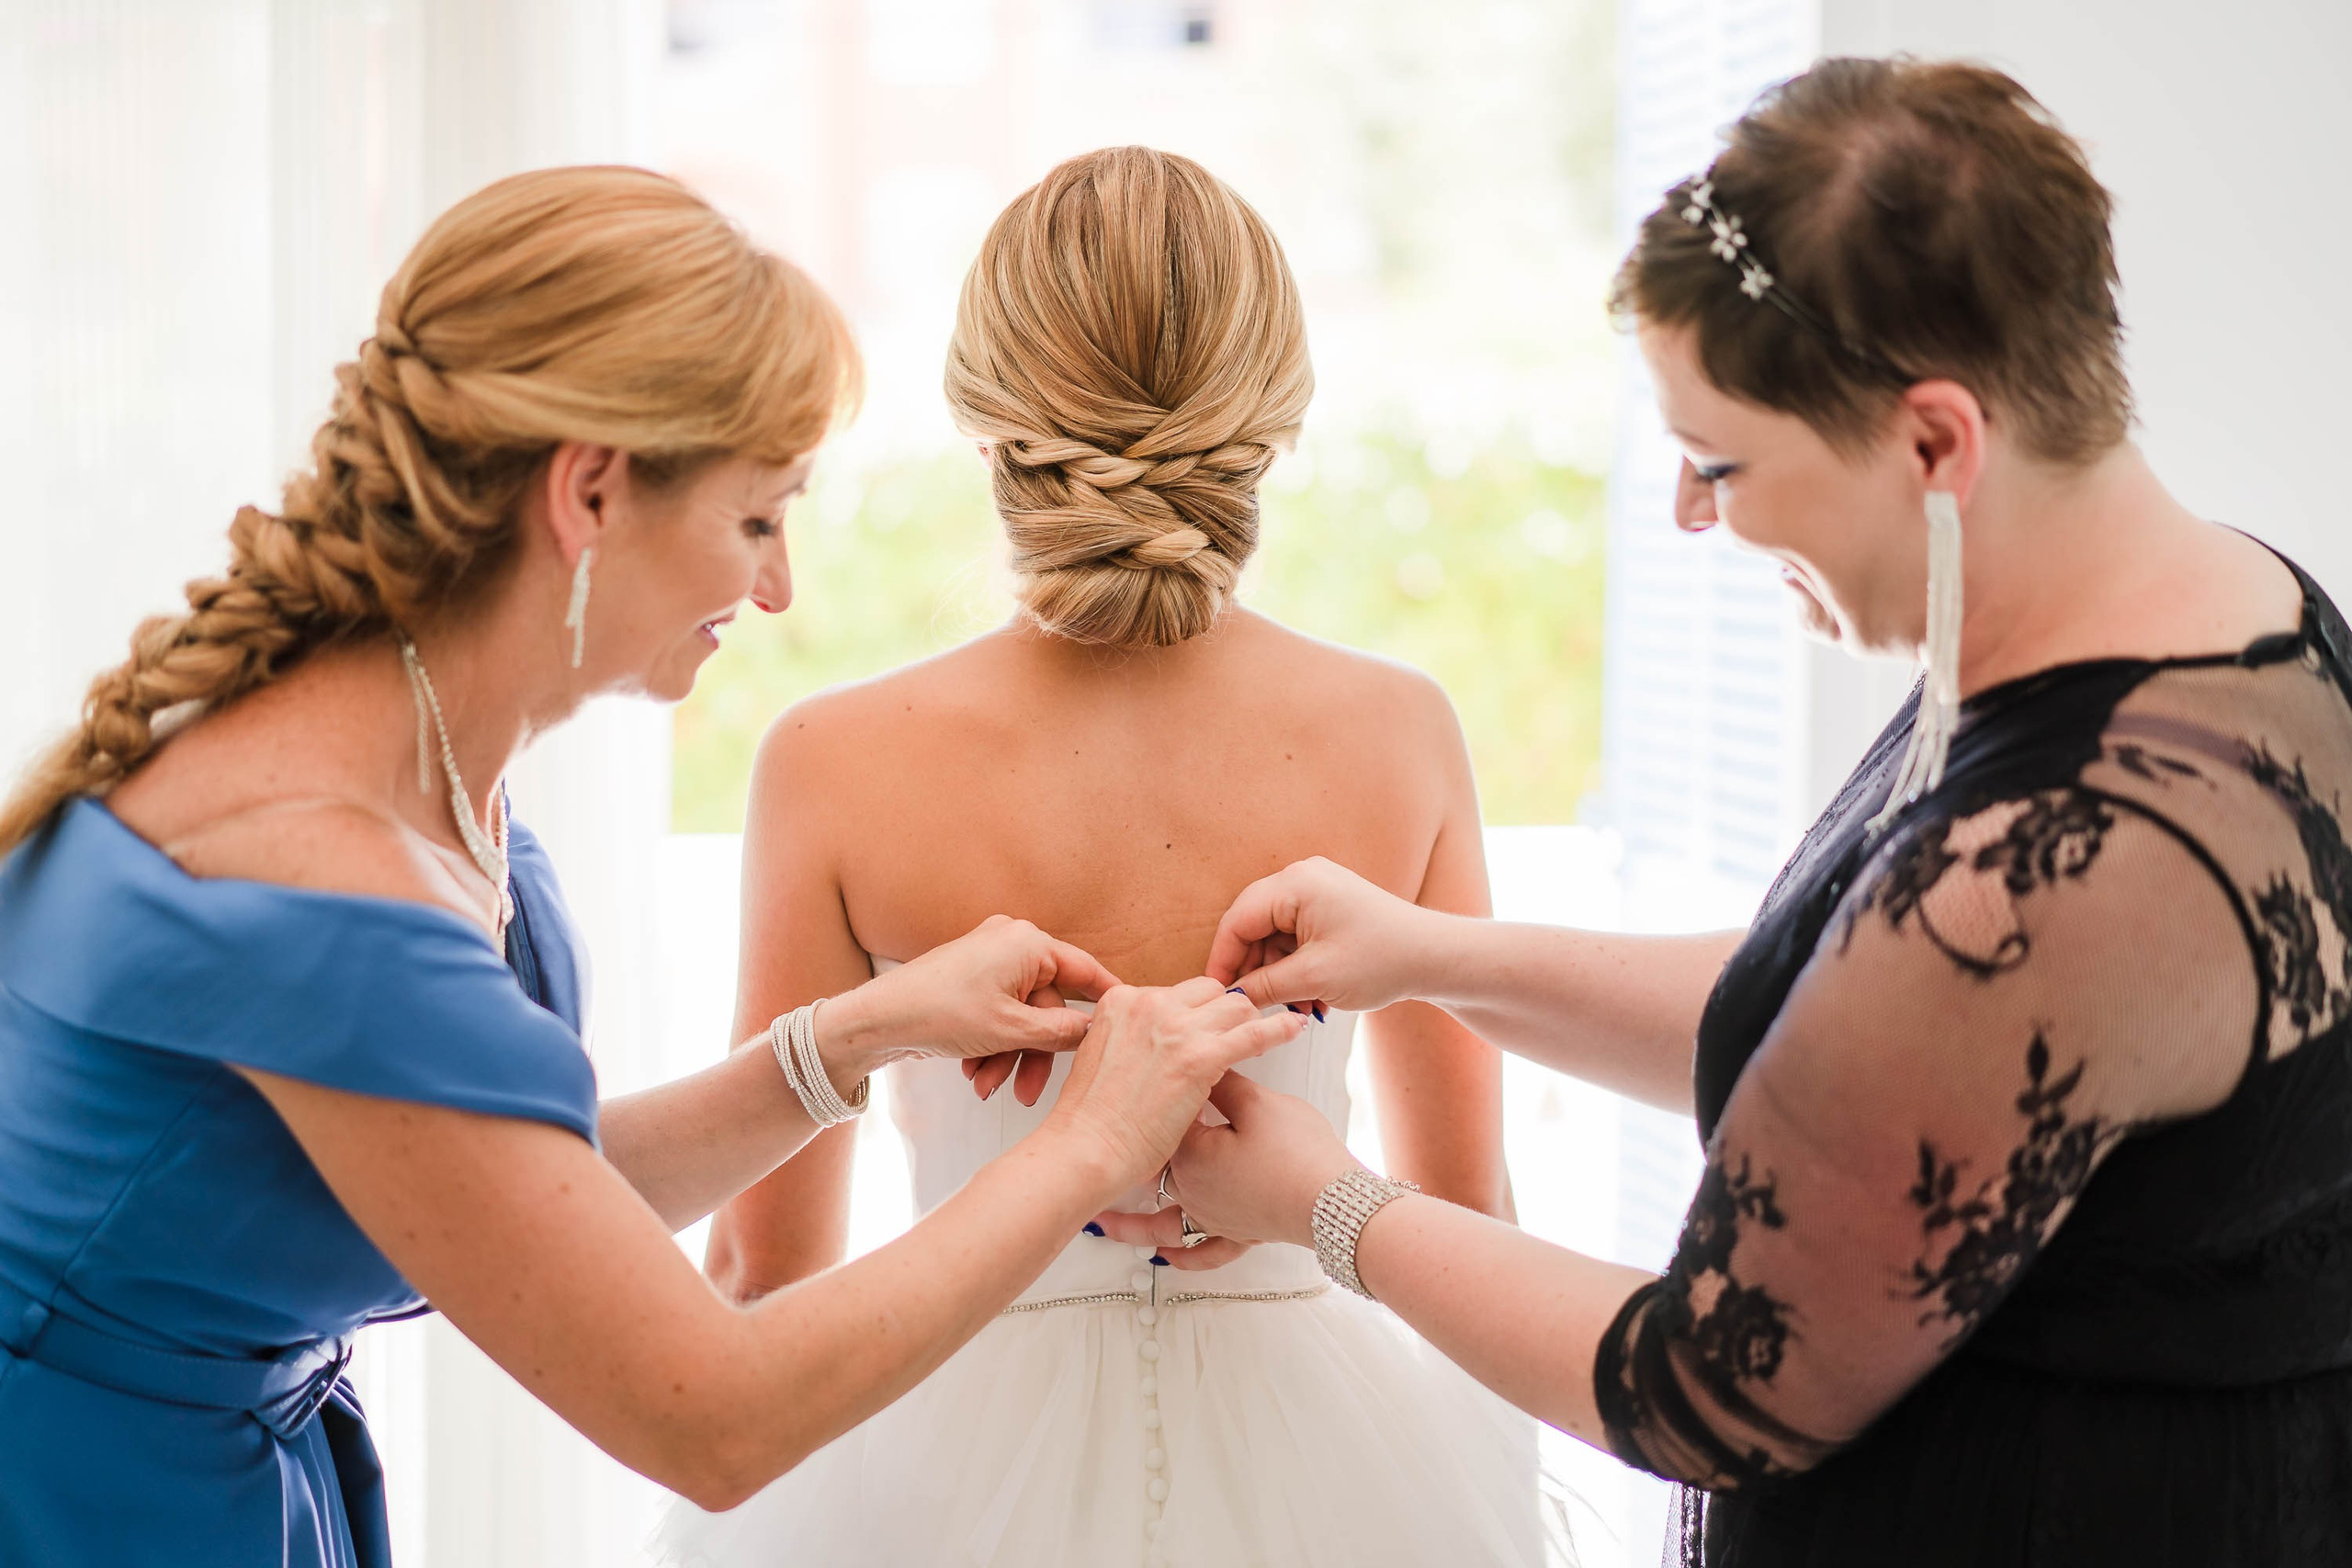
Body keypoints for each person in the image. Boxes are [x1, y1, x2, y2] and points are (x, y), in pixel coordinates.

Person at [0, 165, 1301, 1568]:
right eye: (757, 519)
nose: (779, 587)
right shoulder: (322, 887)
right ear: (592, 492)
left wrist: (854, 1042)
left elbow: (511, 1193)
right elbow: (715, 1420)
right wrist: (1088, 1144)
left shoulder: (425, 762)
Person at [1148, 56, 2352, 1568]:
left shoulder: (2053, 872)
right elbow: (1866, 1035)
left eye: (1721, 461)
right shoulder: (2215, 619)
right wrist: (1432, 953)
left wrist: (1322, 1202)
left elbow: (1699, 1387)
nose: (1691, 516)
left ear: (1934, 445)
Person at [654, 147, 1556, 1568]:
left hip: (932, 1463)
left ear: (986, 418)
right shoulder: (1401, 734)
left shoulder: (834, 760)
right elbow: (1459, 1217)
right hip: (1335, 1482)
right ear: (1276, 416)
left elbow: (767, 1267)